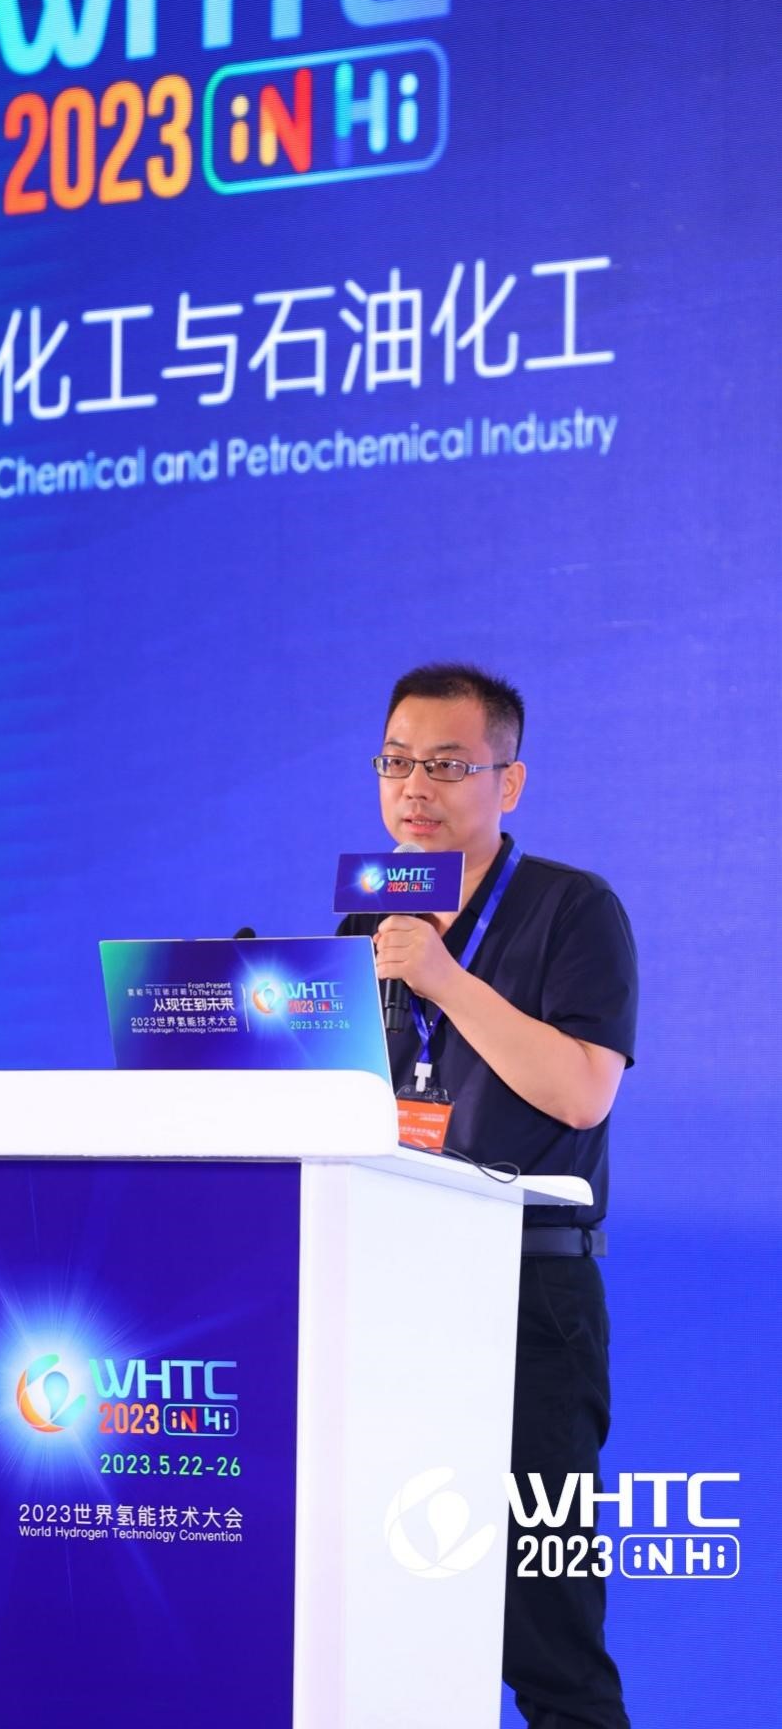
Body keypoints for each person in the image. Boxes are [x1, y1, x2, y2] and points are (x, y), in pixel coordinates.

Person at [338, 662, 637, 1729]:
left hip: (526, 1302)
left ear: (508, 782)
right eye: (395, 762)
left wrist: (443, 980)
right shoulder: (364, 927)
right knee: (389, 1614)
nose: (414, 787)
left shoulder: (570, 907)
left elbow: (583, 1090)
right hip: (382, 1301)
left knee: (547, 1636)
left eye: (446, 765)